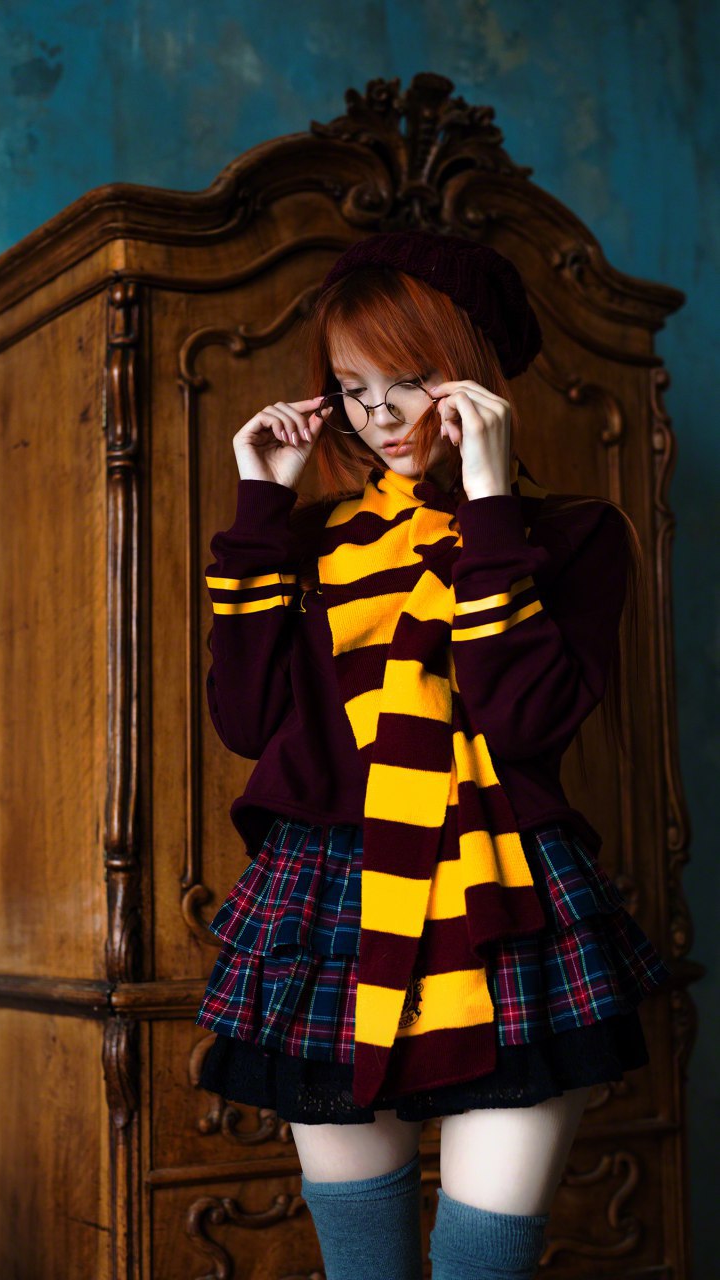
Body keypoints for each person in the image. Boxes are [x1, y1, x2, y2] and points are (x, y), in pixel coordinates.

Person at [194, 230, 672, 1279]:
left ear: (472, 375)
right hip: (327, 907)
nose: (379, 416)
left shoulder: (573, 533)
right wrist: (260, 503)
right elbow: (245, 719)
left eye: (407, 380)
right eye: (352, 389)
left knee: (479, 1266)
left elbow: (522, 720)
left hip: (500, 899)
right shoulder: (308, 541)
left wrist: (491, 503)